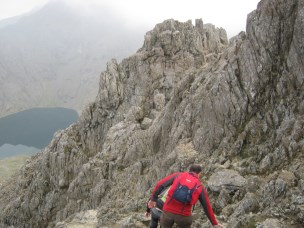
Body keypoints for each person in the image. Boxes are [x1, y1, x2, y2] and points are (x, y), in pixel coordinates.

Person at [147, 164, 224, 228]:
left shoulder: (178, 175)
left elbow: (160, 184)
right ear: (199, 173)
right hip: (184, 216)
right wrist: (214, 223)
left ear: (189, 170)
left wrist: (153, 198)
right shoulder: (200, 186)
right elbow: (206, 206)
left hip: (168, 212)